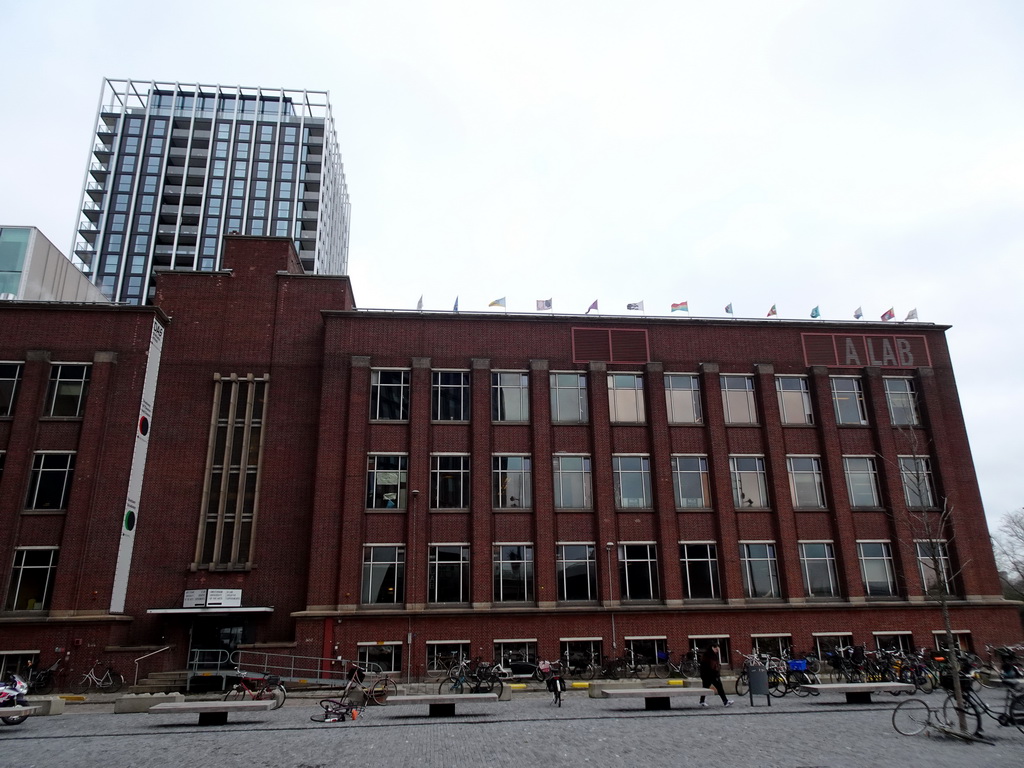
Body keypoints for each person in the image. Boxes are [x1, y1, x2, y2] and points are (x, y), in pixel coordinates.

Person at [698, 643, 732, 707]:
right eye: (716, 649)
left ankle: (702, 701)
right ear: (712, 648)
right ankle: (725, 701)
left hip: (707, 675)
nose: (717, 650)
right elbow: (711, 666)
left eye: (718, 649)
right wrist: (716, 673)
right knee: (719, 687)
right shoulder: (709, 655)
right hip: (711, 675)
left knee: (706, 688)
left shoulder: (709, 654)